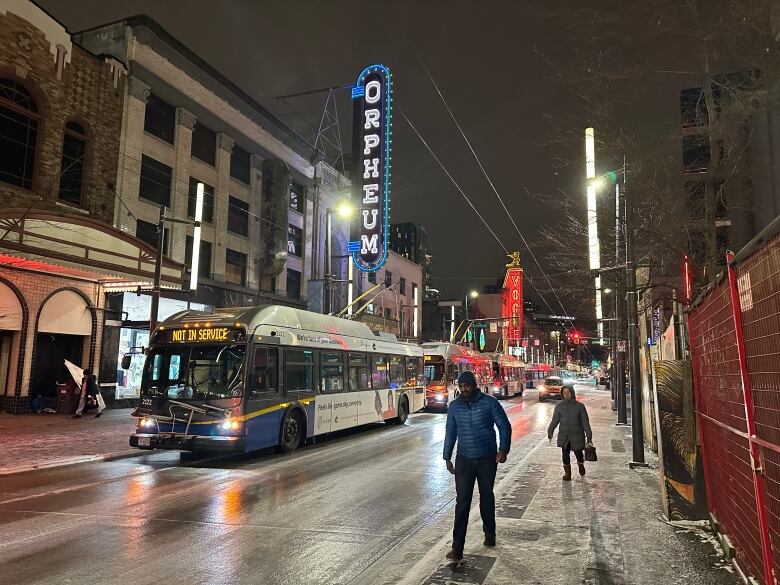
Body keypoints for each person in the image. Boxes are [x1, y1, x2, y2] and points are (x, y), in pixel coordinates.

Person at [443, 370, 512, 563]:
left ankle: (490, 534)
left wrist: (503, 449)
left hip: (486, 458)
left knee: (486, 497)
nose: (464, 390)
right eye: (461, 386)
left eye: (467, 386)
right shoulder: (455, 407)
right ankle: (457, 549)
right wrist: (447, 457)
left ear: (474, 385)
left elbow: (504, 426)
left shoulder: (490, 403)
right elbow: (450, 432)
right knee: (462, 502)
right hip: (464, 459)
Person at [547, 385, 593, 480]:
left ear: (572, 393)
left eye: (568, 392)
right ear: (562, 394)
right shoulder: (559, 406)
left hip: (577, 435)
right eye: (564, 393)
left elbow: (585, 422)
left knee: (578, 454)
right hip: (564, 436)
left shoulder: (580, 406)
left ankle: (581, 465)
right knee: (565, 454)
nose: (566, 394)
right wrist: (550, 431)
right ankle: (567, 474)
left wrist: (589, 436)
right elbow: (555, 420)